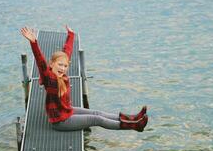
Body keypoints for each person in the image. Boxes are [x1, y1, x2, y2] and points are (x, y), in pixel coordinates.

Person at [20, 26, 148, 132]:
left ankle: (133, 118)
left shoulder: (62, 73)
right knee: (97, 120)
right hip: (61, 122)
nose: (63, 68)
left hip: (67, 112)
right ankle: (134, 126)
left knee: (97, 113)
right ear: (51, 64)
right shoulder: (49, 78)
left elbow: (67, 51)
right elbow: (40, 60)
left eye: (65, 66)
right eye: (60, 65)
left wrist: (71, 35)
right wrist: (33, 43)